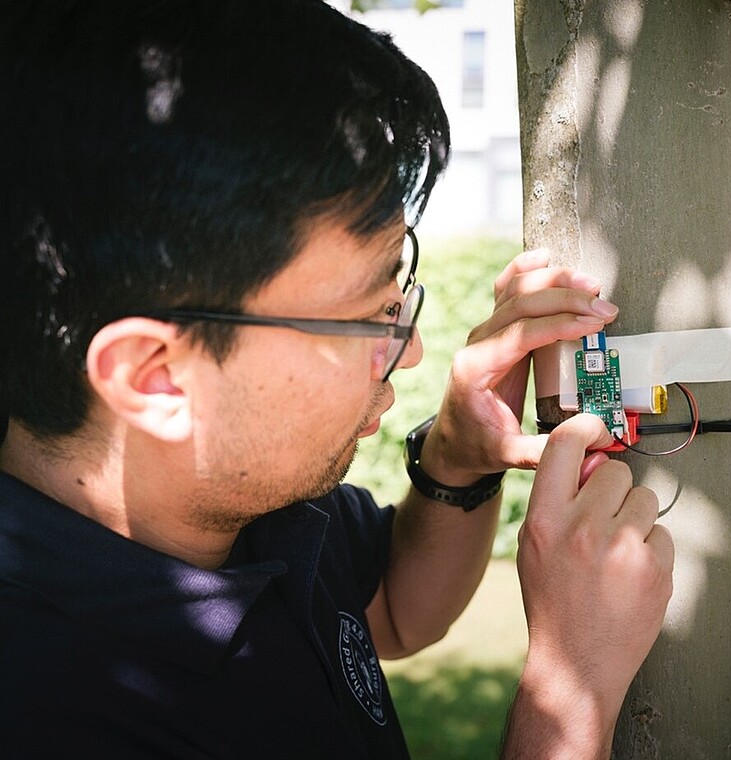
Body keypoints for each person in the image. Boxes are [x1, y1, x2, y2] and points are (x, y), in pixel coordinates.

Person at [0, 1, 674, 758]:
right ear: (155, 377)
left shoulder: (250, 502)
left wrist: (457, 458)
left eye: (400, 292)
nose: (410, 350)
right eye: (370, 314)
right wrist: (571, 690)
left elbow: (396, 611)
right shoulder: (51, 711)